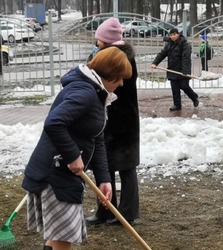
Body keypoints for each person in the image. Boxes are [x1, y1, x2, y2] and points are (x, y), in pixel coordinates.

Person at [21, 46, 132, 250]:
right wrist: (73, 156)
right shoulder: (85, 93)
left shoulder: (96, 93)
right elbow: (54, 123)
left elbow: (96, 138)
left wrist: (104, 179)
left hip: (63, 174)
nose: (122, 83)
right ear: (110, 74)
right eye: (120, 77)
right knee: (63, 236)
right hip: (54, 175)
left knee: (59, 236)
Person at [84, 17, 141, 226]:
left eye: (98, 38)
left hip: (115, 119)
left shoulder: (113, 58)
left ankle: (116, 212)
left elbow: (97, 84)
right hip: (123, 118)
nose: (96, 41)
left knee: (111, 166)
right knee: (116, 166)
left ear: (105, 40)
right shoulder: (121, 55)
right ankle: (116, 211)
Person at [151, 28, 199, 111]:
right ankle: (177, 105)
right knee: (175, 88)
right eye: (171, 35)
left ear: (178, 34)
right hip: (172, 69)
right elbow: (162, 54)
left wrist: (185, 71)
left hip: (183, 70)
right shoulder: (169, 44)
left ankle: (194, 97)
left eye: (174, 34)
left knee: (184, 86)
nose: (173, 36)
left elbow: (186, 58)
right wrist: (155, 63)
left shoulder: (185, 45)